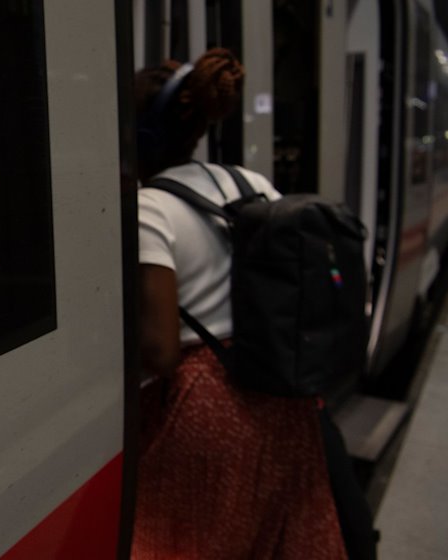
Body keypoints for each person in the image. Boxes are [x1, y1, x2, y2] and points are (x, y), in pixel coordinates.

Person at [132, 48, 351, 559]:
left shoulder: (148, 210)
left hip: (208, 410)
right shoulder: (250, 183)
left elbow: (160, 352)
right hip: (278, 390)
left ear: (138, 136)